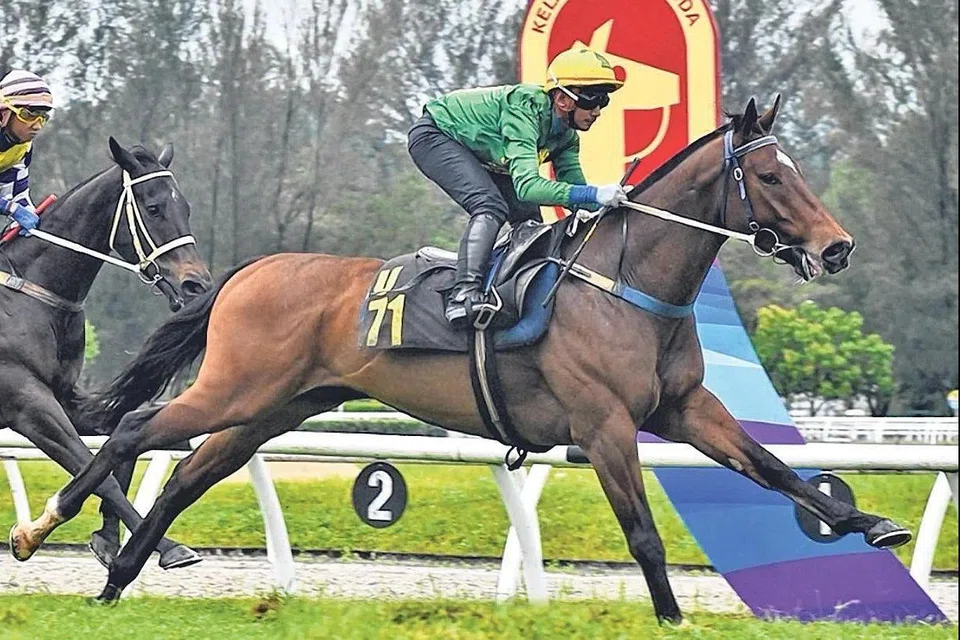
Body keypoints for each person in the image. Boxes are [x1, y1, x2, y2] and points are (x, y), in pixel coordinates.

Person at [407, 45, 629, 329]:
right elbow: (526, 186)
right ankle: (463, 295)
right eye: (592, 100)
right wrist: (595, 194)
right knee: (490, 206)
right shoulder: (525, 107)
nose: (597, 111)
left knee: (530, 224)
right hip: (436, 136)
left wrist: (620, 200)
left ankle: (506, 292)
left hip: (485, 155)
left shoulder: (567, 137)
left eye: (604, 101)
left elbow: (577, 196)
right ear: (562, 99)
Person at [0, 69, 54, 237]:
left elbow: (15, 194)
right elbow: (10, 206)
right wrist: (12, 209)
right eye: (29, 115)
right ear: (4, 114)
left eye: (42, 117)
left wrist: (30, 212)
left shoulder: (22, 148)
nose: (37, 126)